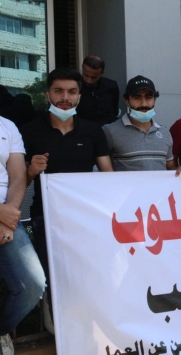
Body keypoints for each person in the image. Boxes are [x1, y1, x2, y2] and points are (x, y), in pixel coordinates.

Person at [19, 67, 113, 334]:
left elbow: (109, 177)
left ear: (79, 97)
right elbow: (17, 183)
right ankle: (59, 327)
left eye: (72, 92)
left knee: (86, 273)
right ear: (47, 95)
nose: (65, 97)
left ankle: (88, 328)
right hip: (45, 217)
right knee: (51, 275)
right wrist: (30, 170)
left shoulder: (93, 131)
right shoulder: (29, 131)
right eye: (58, 91)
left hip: (85, 218)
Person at [0, 116, 45, 355]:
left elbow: (17, 176)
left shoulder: (7, 126)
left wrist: (9, 218)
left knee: (33, 284)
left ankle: (1, 331)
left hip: (7, 217)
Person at [103, 75, 175, 171]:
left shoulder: (165, 133)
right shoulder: (110, 132)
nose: (143, 103)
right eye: (136, 97)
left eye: (148, 97)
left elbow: (170, 168)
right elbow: (101, 171)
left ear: (155, 99)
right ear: (126, 100)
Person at [77, 55, 120, 126]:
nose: (89, 81)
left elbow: (115, 110)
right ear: (82, 67)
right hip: (83, 128)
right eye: (86, 75)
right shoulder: (75, 86)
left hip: (107, 128)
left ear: (102, 72)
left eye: (94, 77)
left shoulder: (111, 85)